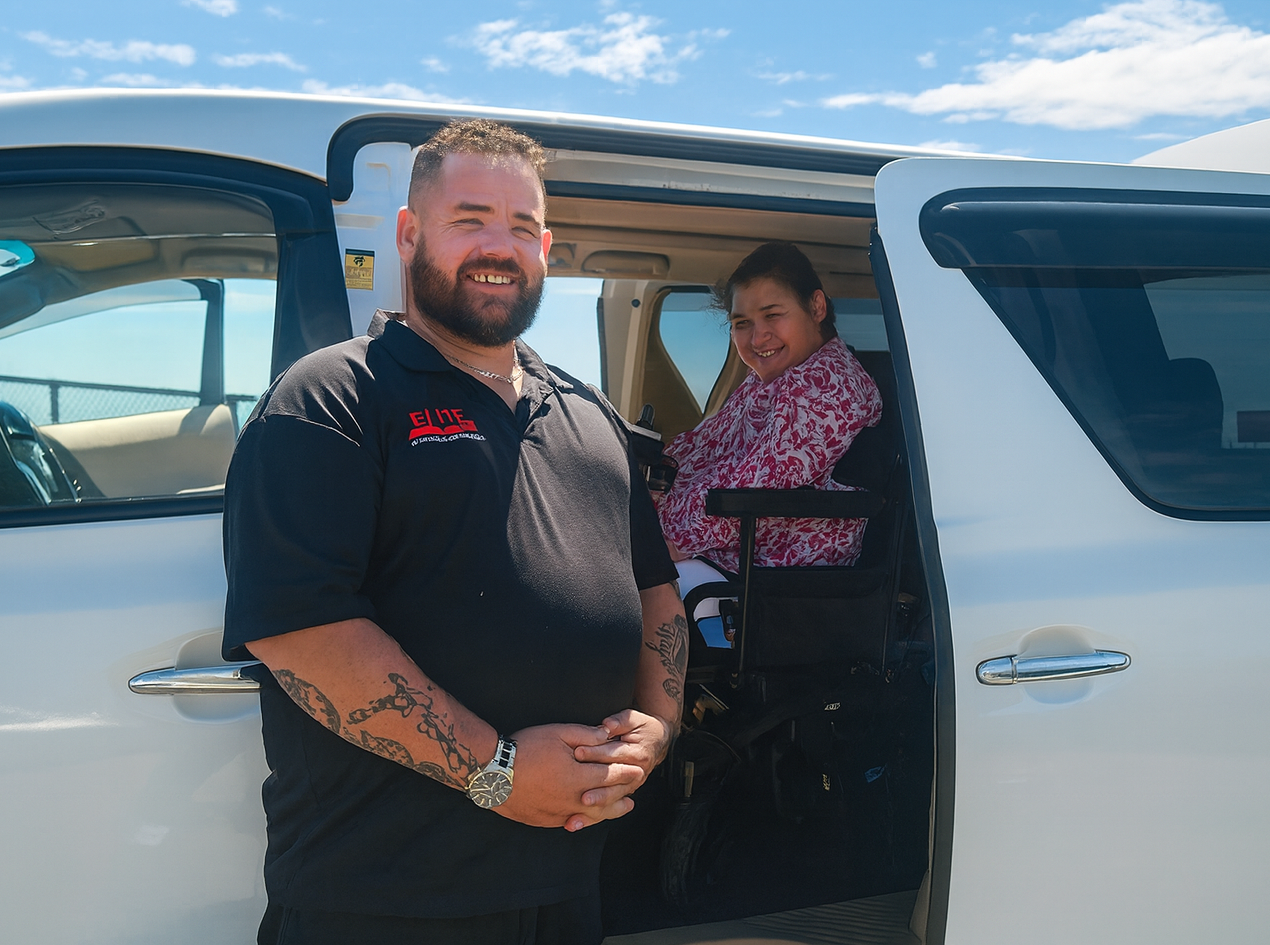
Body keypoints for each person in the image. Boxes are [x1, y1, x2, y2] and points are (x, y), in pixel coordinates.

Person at [221, 119, 686, 945]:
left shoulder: (589, 413)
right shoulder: (330, 398)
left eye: (521, 227)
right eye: (470, 219)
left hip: (567, 882)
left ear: (546, 248)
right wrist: (496, 772)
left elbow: (655, 592)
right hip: (385, 900)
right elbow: (301, 631)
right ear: (409, 234)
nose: (499, 247)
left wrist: (658, 727)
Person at [656, 242, 882, 647]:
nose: (758, 336)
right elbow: (702, 447)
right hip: (730, 562)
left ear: (816, 307)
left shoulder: (825, 387)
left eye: (773, 315)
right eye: (742, 322)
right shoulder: (771, 381)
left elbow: (756, 484)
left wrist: (667, 535)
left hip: (773, 587)